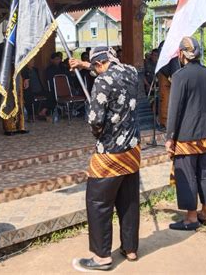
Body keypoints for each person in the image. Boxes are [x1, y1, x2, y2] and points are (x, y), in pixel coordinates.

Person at [70, 47, 140, 271]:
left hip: (110, 151)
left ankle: (101, 257)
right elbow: (106, 66)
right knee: (128, 201)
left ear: (100, 65)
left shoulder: (102, 81)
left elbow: (95, 119)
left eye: (95, 67)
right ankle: (130, 249)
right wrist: (83, 65)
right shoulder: (131, 72)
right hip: (132, 149)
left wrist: (97, 133)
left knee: (98, 202)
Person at [164, 37, 206, 230]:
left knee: (187, 174)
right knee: (205, 173)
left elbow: (174, 109)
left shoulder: (180, 76)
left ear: (180, 54)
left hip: (186, 134)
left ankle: (191, 218)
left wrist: (170, 136)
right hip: (205, 131)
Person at [157, 41, 181, 128]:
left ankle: (174, 121)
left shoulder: (180, 42)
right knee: (165, 99)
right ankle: (164, 122)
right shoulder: (166, 44)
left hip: (176, 73)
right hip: (165, 73)